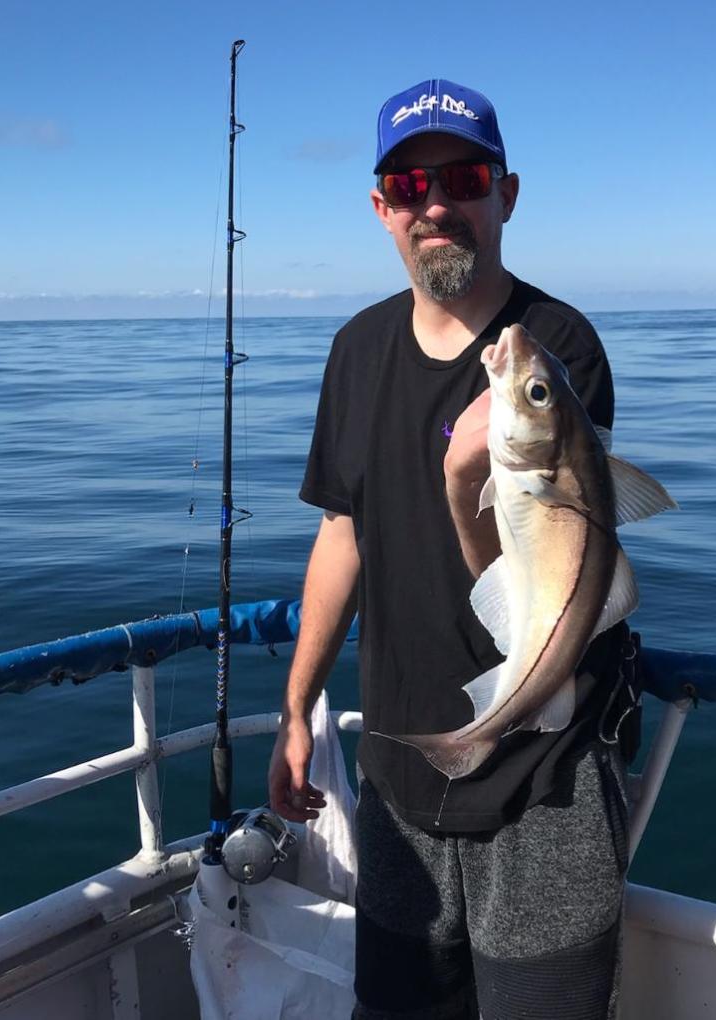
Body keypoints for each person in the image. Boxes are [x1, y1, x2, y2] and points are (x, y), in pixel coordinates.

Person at [268, 78, 636, 1020]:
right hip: (401, 772)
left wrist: (460, 487)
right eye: (407, 186)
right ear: (381, 208)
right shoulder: (355, 351)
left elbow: (529, 585)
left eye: (462, 177)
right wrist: (298, 707)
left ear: (505, 194)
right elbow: (340, 530)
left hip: (544, 773)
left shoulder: (560, 351)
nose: (435, 204)